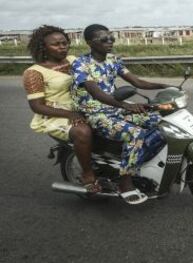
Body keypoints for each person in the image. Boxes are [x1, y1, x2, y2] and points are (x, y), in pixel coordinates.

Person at [71, 24, 171, 204]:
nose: (109, 42)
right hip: (95, 113)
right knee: (135, 133)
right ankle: (125, 181)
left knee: (159, 120)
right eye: (103, 39)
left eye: (111, 38)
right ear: (89, 42)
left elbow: (137, 82)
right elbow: (96, 93)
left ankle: (136, 161)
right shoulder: (81, 64)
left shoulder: (114, 60)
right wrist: (125, 105)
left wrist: (166, 87)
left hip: (115, 108)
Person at [23, 25, 101, 193]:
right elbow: (37, 106)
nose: (62, 47)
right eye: (56, 44)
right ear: (43, 47)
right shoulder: (34, 73)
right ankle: (88, 175)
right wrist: (70, 114)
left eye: (64, 43)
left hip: (82, 107)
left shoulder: (73, 60)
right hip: (56, 115)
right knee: (82, 132)